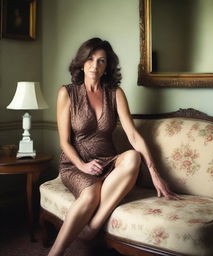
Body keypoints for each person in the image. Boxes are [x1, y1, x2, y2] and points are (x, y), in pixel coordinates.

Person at [48, 38, 179, 256]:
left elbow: (134, 136)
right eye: (90, 59)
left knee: (133, 157)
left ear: (107, 67)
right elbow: (63, 141)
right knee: (90, 195)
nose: (94, 65)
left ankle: (92, 228)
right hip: (76, 163)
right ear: (81, 62)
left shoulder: (115, 93)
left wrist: (154, 173)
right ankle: (55, 253)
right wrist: (82, 166)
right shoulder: (67, 93)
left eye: (101, 61)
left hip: (108, 161)